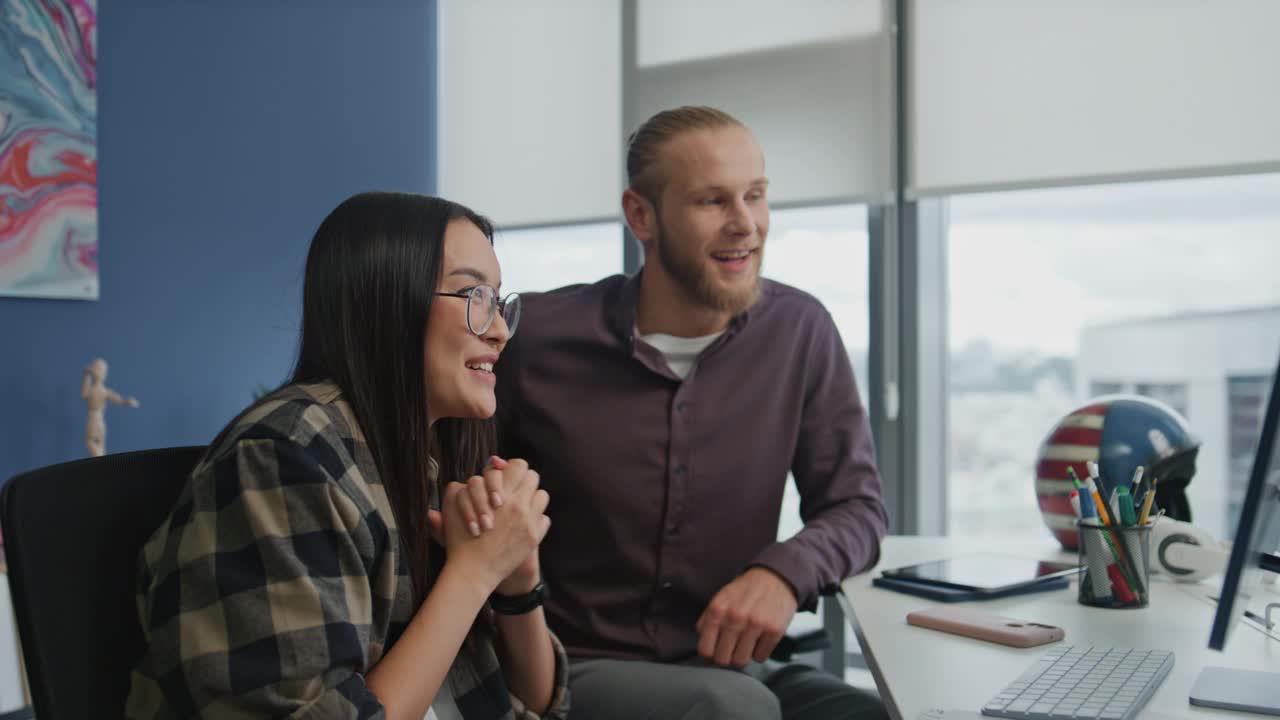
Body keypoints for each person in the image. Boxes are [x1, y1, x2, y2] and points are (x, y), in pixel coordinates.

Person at [496, 106, 889, 719]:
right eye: (713, 201)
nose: (746, 225)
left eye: (755, 196)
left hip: (729, 666)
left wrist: (784, 573)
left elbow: (858, 508)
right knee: (732, 710)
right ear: (641, 215)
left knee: (867, 713)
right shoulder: (534, 338)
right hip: (571, 667)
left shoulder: (801, 331)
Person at [126, 192, 570, 719]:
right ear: (385, 299)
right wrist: (473, 574)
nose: (498, 330)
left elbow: (541, 707)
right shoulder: (284, 458)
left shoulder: (433, 457)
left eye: (498, 302)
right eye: (473, 295)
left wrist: (517, 582)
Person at [81, 357, 139, 457]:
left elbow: (119, 400)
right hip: (99, 421)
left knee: (90, 441)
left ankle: (99, 459)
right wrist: (87, 376)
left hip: (94, 419)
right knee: (99, 446)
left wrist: (86, 375)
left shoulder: (102, 391)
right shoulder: (103, 391)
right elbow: (120, 400)